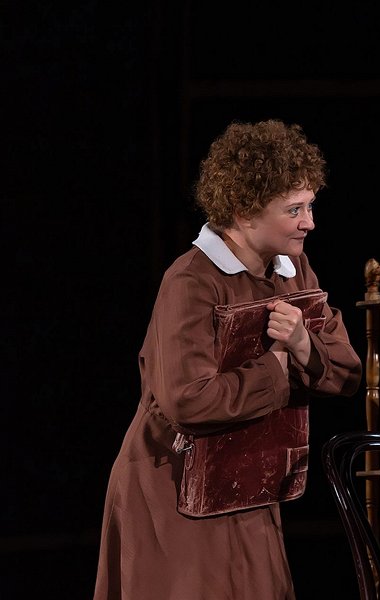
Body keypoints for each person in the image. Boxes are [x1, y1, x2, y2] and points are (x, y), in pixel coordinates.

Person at [93, 119, 362, 599]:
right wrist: (277, 368)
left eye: (310, 206)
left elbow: (346, 372)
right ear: (244, 210)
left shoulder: (293, 269)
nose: (309, 222)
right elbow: (188, 400)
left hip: (246, 483)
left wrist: (303, 343)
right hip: (175, 489)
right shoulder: (191, 281)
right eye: (294, 209)